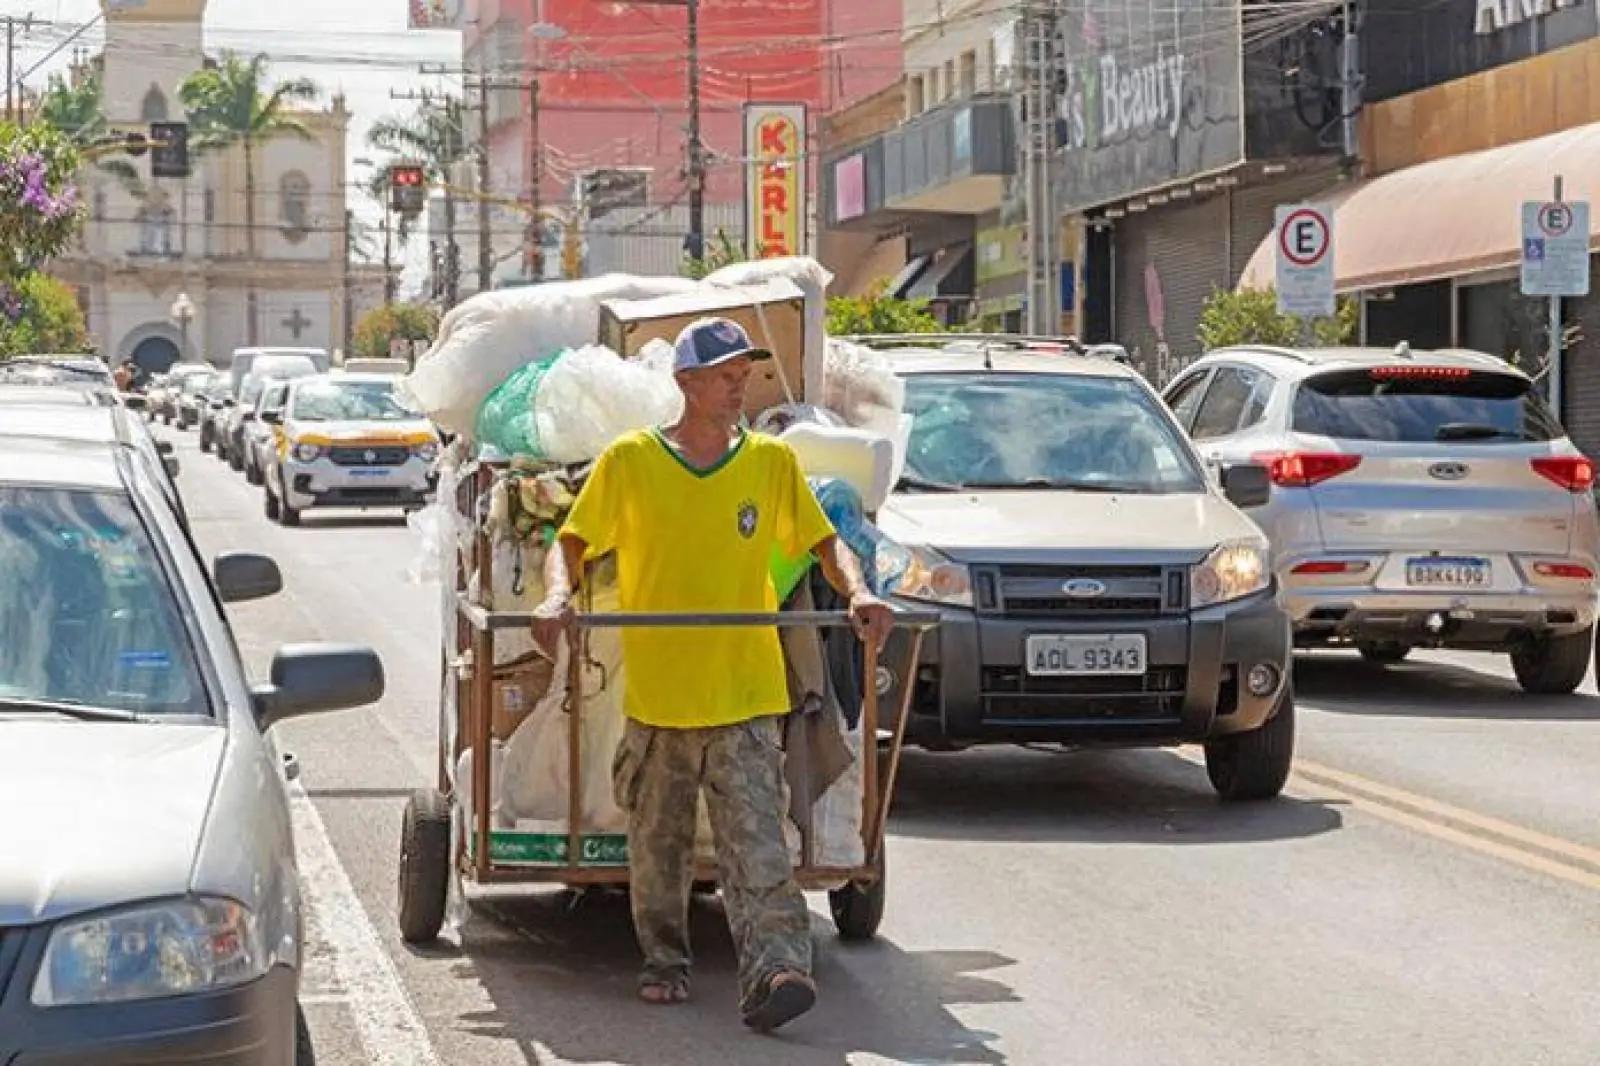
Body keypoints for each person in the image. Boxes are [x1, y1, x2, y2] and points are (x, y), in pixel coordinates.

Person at [530, 316, 894, 1033]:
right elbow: (571, 541)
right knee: (658, 849)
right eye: (724, 376)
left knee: (758, 844)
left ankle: (778, 967)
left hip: (745, 695)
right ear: (686, 383)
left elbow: (825, 545)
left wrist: (857, 591)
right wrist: (555, 596)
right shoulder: (631, 462)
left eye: (745, 375)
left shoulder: (769, 463)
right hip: (662, 699)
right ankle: (665, 959)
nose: (739, 387)